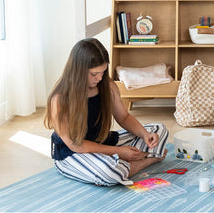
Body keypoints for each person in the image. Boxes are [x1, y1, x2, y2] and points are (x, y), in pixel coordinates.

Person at [44, 38, 169, 186]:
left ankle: (122, 163)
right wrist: (119, 151)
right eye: (94, 74)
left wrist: (145, 134)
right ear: (79, 71)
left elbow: (124, 117)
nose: (100, 77)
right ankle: (149, 159)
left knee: (159, 130)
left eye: (103, 72)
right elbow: (75, 145)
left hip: (102, 141)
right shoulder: (59, 99)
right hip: (73, 153)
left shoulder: (107, 86)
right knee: (109, 172)